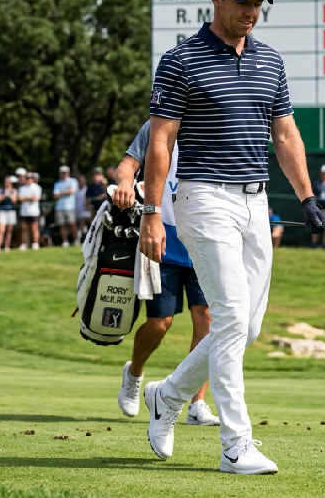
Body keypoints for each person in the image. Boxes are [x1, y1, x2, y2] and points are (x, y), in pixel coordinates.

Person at [137, 0, 325, 475]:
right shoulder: (181, 60)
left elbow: (285, 135)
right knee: (230, 317)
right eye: (241, 1)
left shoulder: (270, 61)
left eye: (257, 3)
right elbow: (160, 141)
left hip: (255, 202)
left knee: (246, 326)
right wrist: (152, 213)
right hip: (203, 198)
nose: (250, 11)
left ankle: (167, 396)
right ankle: (235, 444)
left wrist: (307, 199)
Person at [113, 120, 221, 428]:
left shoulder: (213, 120)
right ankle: (135, 372)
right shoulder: (156, 124)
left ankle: (197, 403)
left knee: (208, 321)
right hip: (162, 239)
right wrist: (124, 184)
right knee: (160, 324)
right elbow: (127, 165)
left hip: (203, 238)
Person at [53, 166, 79, 247]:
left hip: (70, 206)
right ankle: (65, 242)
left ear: (68, 173)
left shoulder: (73, 181)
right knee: (62, 225)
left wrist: (61, 193)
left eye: (65, 173)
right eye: (62, 173)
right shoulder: (57, 183)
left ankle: (76, 240)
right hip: (60, 207)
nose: (63, 174)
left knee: (72, 224)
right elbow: (55, 195)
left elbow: (72, 191)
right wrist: (65, 192)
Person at [17, 170, 42, 250]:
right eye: (27, 177)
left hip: (33, 211)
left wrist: (26, 198)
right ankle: (23, 244)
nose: (28, 179)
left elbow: (36, 198)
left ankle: (35, 244)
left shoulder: (37, 187)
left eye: (30, 178)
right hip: (24, 212)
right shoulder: (22, 188)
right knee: (24, 229)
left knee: (34, 229)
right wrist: (29, 198)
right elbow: (20, 199)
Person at [0, 175, 18, 253]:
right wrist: (5, 195)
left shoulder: (14, 190)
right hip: (2, 211)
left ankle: (7, 247)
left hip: (11, 212)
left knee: (9, 230)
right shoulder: (0, 190)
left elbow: (14, 201)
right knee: (1, 230)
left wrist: (10, 195)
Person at [85, 167, 108, 233]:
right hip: (93, 205)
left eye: (98, 174)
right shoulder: (91, 186)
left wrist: (104, 183)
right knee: (92, 217)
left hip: (102, 204)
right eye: (95, 174)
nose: (97, 176)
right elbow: (87, 198)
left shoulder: (103, 184)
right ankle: (93, 232)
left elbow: (106, 193)